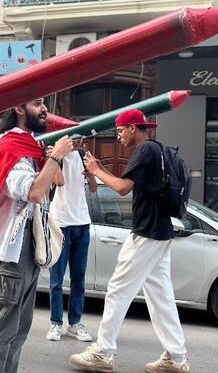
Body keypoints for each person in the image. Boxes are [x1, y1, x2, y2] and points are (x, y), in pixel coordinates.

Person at [0, 98, 73, 373]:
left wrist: (52, 155)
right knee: (5, 327)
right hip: (13, 248)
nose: (44, 110)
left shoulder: (30, 146)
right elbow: (32, 192)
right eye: (38, 104)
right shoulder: (10, 146)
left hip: (28, 245)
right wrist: (55, 156)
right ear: (19, 109)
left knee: (21, 326)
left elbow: (57, 181)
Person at [69, 109, 189, 373]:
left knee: (117, 291)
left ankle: (102, 352)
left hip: (147, 233)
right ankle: (177, 357)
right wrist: (99, 169)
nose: (119, 136)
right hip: (160, 231)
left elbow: (123, 187)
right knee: (161, 298)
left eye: (121, 130)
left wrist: (96, 170)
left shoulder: (145, 150)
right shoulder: (156, 149)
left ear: (133, 127)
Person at [46, 143, 97, 342]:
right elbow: (59, 181)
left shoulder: (84, 155)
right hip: (60, 222)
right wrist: (56, 157)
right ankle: (55, 323)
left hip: (82, 222)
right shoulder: (54, 153)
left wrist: (91, 174)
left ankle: (75, 323)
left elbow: (93, 189)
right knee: (56, 279)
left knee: (79, 278)